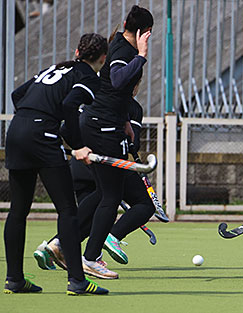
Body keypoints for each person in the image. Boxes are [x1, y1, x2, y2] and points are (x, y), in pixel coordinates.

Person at [3, 33, 109, 295]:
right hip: (42, 137)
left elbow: (18, 95)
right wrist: (76, 144)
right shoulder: (87, 77)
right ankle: (77, 281)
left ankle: (14, 279)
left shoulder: (56, 67)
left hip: (16, 131)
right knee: (67, 211)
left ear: (76, 51)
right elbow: (70, 104)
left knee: (18, 210)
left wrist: (35, 120)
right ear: (103, 59)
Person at [57, 5, 153, 279]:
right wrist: (143, 55)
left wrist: (124, 120)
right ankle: (90, 257)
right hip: (103, 129)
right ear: (145, 32)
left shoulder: (119, 45)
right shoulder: (125, 50)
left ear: (125, 22)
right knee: (110, 196)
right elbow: (119, 78)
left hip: (105, 123)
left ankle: (63, 244)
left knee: (104, 193)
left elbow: (114, 91)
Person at [34, 97, 155, 273]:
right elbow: (132, 143)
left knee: (92, 219)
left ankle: (56, 244)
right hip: (106, 161)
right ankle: (111, 238)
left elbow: (66, 129)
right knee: (143, 204)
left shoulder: (93, 100)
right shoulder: (131, 105)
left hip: (79, 165)